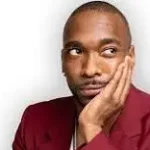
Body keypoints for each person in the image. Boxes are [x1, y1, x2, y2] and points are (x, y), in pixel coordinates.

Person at [12, 1, 150, 150]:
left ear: (130, 57)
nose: (90, 70)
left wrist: (91, 127)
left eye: (109, 51)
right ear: (63, 60)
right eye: (76, 51)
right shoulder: (34, 120)